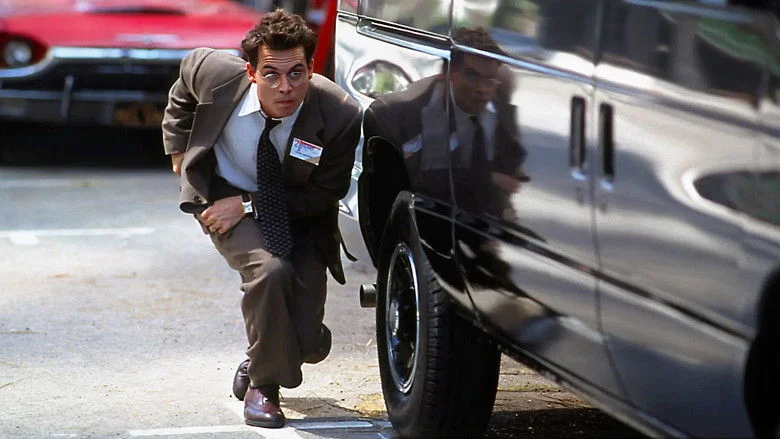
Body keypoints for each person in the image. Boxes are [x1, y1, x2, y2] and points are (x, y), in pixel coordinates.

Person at [161, 9, 362, 428]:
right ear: (251, 72)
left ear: (311, 68)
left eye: (297, 73)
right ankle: (264, 388)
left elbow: (325, 193)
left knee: (308, 343)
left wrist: (250, 203)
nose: (285, 87)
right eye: (271, 74)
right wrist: (177, 145)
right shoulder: (217, 74)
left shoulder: (340, 113)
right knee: (270, 272)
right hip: (223, 203)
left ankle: (264, 356)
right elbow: (184, 80)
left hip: (298, 211)